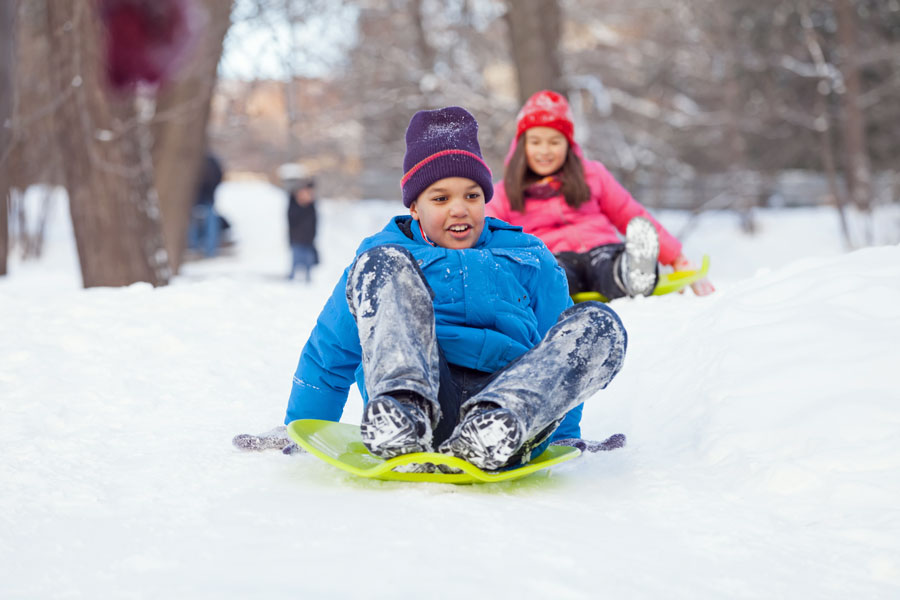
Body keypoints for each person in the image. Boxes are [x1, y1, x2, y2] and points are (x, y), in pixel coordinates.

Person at [280, 106, 628, 472]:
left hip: (511, 408)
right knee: (382, 263)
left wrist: (561, 435)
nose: (459, 209)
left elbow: (559, 350)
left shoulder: (529, 255)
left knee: (600, 324)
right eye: (441, 199)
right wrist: (302, 428)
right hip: (422, 400)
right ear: (414, 207)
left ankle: (492, 429)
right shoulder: (385, 258)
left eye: (472, 196)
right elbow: (330, 352)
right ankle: (401, 414)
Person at [486, 90, 714, 301]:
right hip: (552, 257)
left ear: (568, 144)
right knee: (554, 274)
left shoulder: (591, 174)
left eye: (554, 142)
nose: (545, 150)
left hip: (602, 247)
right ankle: (545, 290)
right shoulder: (506, 191)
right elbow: (484, 227)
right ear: (521, 146)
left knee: (609, 265)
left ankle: (632, 273)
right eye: (535, 142)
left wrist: (676, 258)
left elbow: (630, 213)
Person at [187, 152, 223, 258]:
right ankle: (203, 249)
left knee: (202, 223)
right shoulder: (207, 160)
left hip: (204, 197)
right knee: (202, 224)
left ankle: (202, 249)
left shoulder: (209, 161)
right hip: (200, 198)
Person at [286, 176, 318, 282]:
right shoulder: (294, 203)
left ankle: (308, 278)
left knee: (308, 260)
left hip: (308, 238)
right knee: (296, 259)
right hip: (297, 237)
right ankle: (292, 278)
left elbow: (314, 221)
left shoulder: (311, 205)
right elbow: (292, 219)